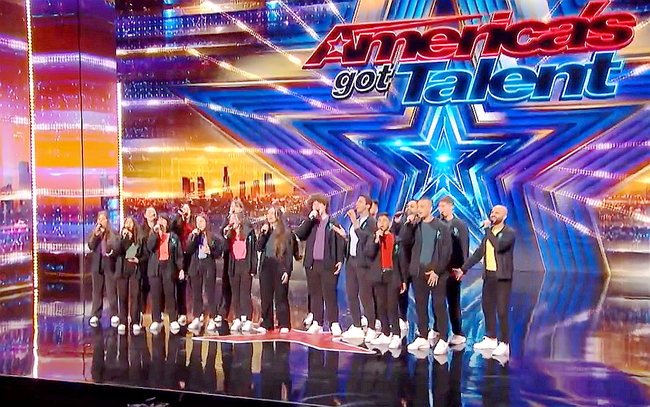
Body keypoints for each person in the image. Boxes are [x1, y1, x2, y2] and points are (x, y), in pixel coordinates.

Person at [453, 205, 516, 357]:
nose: (493, 214)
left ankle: (504, 343)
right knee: (487, 307)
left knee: (501, 310)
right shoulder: (489, 234)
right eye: (492, 212)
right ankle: (491, 338)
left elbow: (499, 246)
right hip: (489, 276)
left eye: (497, 212)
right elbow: (478, 254)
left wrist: (488, 231)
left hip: (502, 277)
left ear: (504, 216)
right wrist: (463, 268)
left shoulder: (509, 233)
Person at [406, 199, 452, 354]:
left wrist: (437, 271)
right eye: (418, 207)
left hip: (436, 274)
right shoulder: (415, 226)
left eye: (422, 207)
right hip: (418, 272)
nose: (419, 210)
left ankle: (443, 339)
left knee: (439, 305)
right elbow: (405, 242)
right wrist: (408, 224)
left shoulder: (442, 227)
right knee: (420, 305)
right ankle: (423, 336)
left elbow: (446, 252)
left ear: (430, 208)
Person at [294, 194, 345, 335]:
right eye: (313, 204)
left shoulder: (332, 222)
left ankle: (334, 322)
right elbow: (299, 234)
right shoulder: (311, 223)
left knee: (329, 294)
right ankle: (317, 322)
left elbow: (340, 241)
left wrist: (340, 259)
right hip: (312, 264)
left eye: (318, 204)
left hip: (328, 263)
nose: (315, 206)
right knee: (315, 294)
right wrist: (310, 219)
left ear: (324, 205)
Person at [363, 213, 407, 349]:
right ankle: (385, 333)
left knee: (392, 306)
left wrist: (404, 280)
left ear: (389, 223)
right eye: (379, 220)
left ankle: (396, 334)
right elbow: (368, 254)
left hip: (392, 276)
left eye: (384, 220)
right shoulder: (373, 238)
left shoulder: (397, 239)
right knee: (380, 305)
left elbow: (402, 261)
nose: (381, 223)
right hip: (378, 276)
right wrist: (376, 240)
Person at [341, 195, 377, 342]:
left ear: (368, 206)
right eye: (357, 201)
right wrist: (345, 237)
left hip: (363, 263)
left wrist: (355, 223)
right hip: (351, 261)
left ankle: (372, 327)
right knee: (351, 293)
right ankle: (356, 325)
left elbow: (366, 240)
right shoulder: (356, 222)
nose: (357, 204)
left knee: (365, 296)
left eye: (360, 202)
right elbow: (355, 240)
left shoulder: (371, 222)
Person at [438, 196, 469, 346]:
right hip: (439, 270)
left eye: (443, 206)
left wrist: (462, 269)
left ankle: (458, 332)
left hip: (453, 269)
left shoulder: (459, 225)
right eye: (439, 206)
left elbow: (464, 247)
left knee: (453, 302)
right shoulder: (437, 224)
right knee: (437, 301)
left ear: (451, 206)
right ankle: (437, 328)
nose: (441, 209)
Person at [257, 206, 294, 334]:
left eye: (272, 213)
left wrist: (287, 271)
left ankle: (284, 323)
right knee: (266, 296)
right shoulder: (266, 231)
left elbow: (289, 254)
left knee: (280, 296)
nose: (269, 215)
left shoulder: (285, 233)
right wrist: (263, 234)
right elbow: (259, 247)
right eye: (268, 213)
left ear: (278, 215)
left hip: (279, 265)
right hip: (266, 265)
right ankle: (267, 323)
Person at [146, 215, 184, 334]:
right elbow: (150, 247)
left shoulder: (173, 237)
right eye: (159, 221)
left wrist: (181, 269)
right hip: (155, 268)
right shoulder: (153, 235)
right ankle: (156, 319)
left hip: (169, 267)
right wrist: (155, 233)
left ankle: (173, 318)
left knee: (170, 294)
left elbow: (179, 255)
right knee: (156, 295)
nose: (161, 223)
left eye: (163, 221)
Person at [186, 214, 223, 333]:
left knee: (210, 293)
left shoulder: (212, 237)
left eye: (201, 221)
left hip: (208, 267)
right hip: (195, 267)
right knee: (196, 293)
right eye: (197, 221)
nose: (199, 224)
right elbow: (188, 249)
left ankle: (213, 317)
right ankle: (197, 316)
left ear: (206, 222)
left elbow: (218, 252)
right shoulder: (193, 235)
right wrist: (194, 237)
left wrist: (210, 251)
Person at [223, 212, 257, 332]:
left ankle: (247, 319)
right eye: (231, 219)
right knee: (235, 294)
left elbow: (253, 251)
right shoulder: (230, 234)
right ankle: (237, 318)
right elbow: (225, 248)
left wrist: (253, 268)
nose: (232, 221)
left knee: (245, 294)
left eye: (234, 219)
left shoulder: (248, 232)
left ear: (239, 220)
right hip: (234, 265)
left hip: (245, 265)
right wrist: (226, 235)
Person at [217, 199, 246, 326]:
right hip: (229, 259)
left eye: (237, 207)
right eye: (232, 207)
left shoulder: (244, 223)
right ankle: (226, 313)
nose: (234, 209)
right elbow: (222, 232)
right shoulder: (229, 223)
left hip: (241, 261)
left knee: (240, 290)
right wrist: (229, 216)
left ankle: (241, 316)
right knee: (227, 287)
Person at [391, 200, 418, 332]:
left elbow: (409, 241)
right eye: (407, 206)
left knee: (420, 296)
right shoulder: (403, 223)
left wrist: (412, 224)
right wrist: (396, 223)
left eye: (412, 206)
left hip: (417, 265)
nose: (408, 208)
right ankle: (403, 318)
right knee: (402, 293)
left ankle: (424, 325)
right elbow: (393, 237)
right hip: (404, 264)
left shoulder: (420, 223)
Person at [87, 211, 118, 327]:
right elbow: (90, 246)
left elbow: (115, 245)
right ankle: (95, 314)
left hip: (109, 263)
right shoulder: (94, 233)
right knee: (96, 291)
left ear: (107, 221)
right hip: (97, 264)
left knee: (111, 290)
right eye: (99, 219)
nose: (100, 221)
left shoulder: (112, 233)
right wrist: (96, 235)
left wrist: (107, 234)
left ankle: (114, 313)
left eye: (103, 219)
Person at [115, 217, 145, 335]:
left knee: (135, 296)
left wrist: (138, 260)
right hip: (122, 270)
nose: (128, 225)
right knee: (122, 296)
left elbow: (143, 255)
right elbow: (118, 251)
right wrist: (123, 238)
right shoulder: (120, 239)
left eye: (130, 223)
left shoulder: (139, 240)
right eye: (126, 223)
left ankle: (135, 321)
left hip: (134, 270)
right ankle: (123, 321)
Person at [171, 203, 194, 326]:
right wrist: (179, 216)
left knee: (192, 284)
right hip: (180, 255)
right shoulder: (179, 224)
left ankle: (195, 313)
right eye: (183, 209)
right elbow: (173, 228)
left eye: (187, 209)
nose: (185, 211)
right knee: (180, 284)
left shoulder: (193, 223)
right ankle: (181, 312)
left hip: (191, 255)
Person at [138, 206, 157, 334]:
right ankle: (140, 316)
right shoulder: (141, 230)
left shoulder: (160, 227)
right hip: (144, 264)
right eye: (149, 212)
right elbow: (137, 244)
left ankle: (156, 318)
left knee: (156, 292)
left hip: (157, 264)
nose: (152, 214)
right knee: (142, 291)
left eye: (154, 212)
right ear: (145, 215)